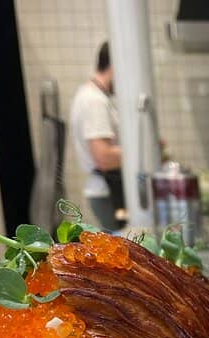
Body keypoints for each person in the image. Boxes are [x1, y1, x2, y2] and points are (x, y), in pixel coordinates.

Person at [70, 42, 123, 230]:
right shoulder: (94, 101)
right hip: (107, 192)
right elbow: (104, 157)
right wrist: (145, 153)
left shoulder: (94, 96)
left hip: (107, 190)